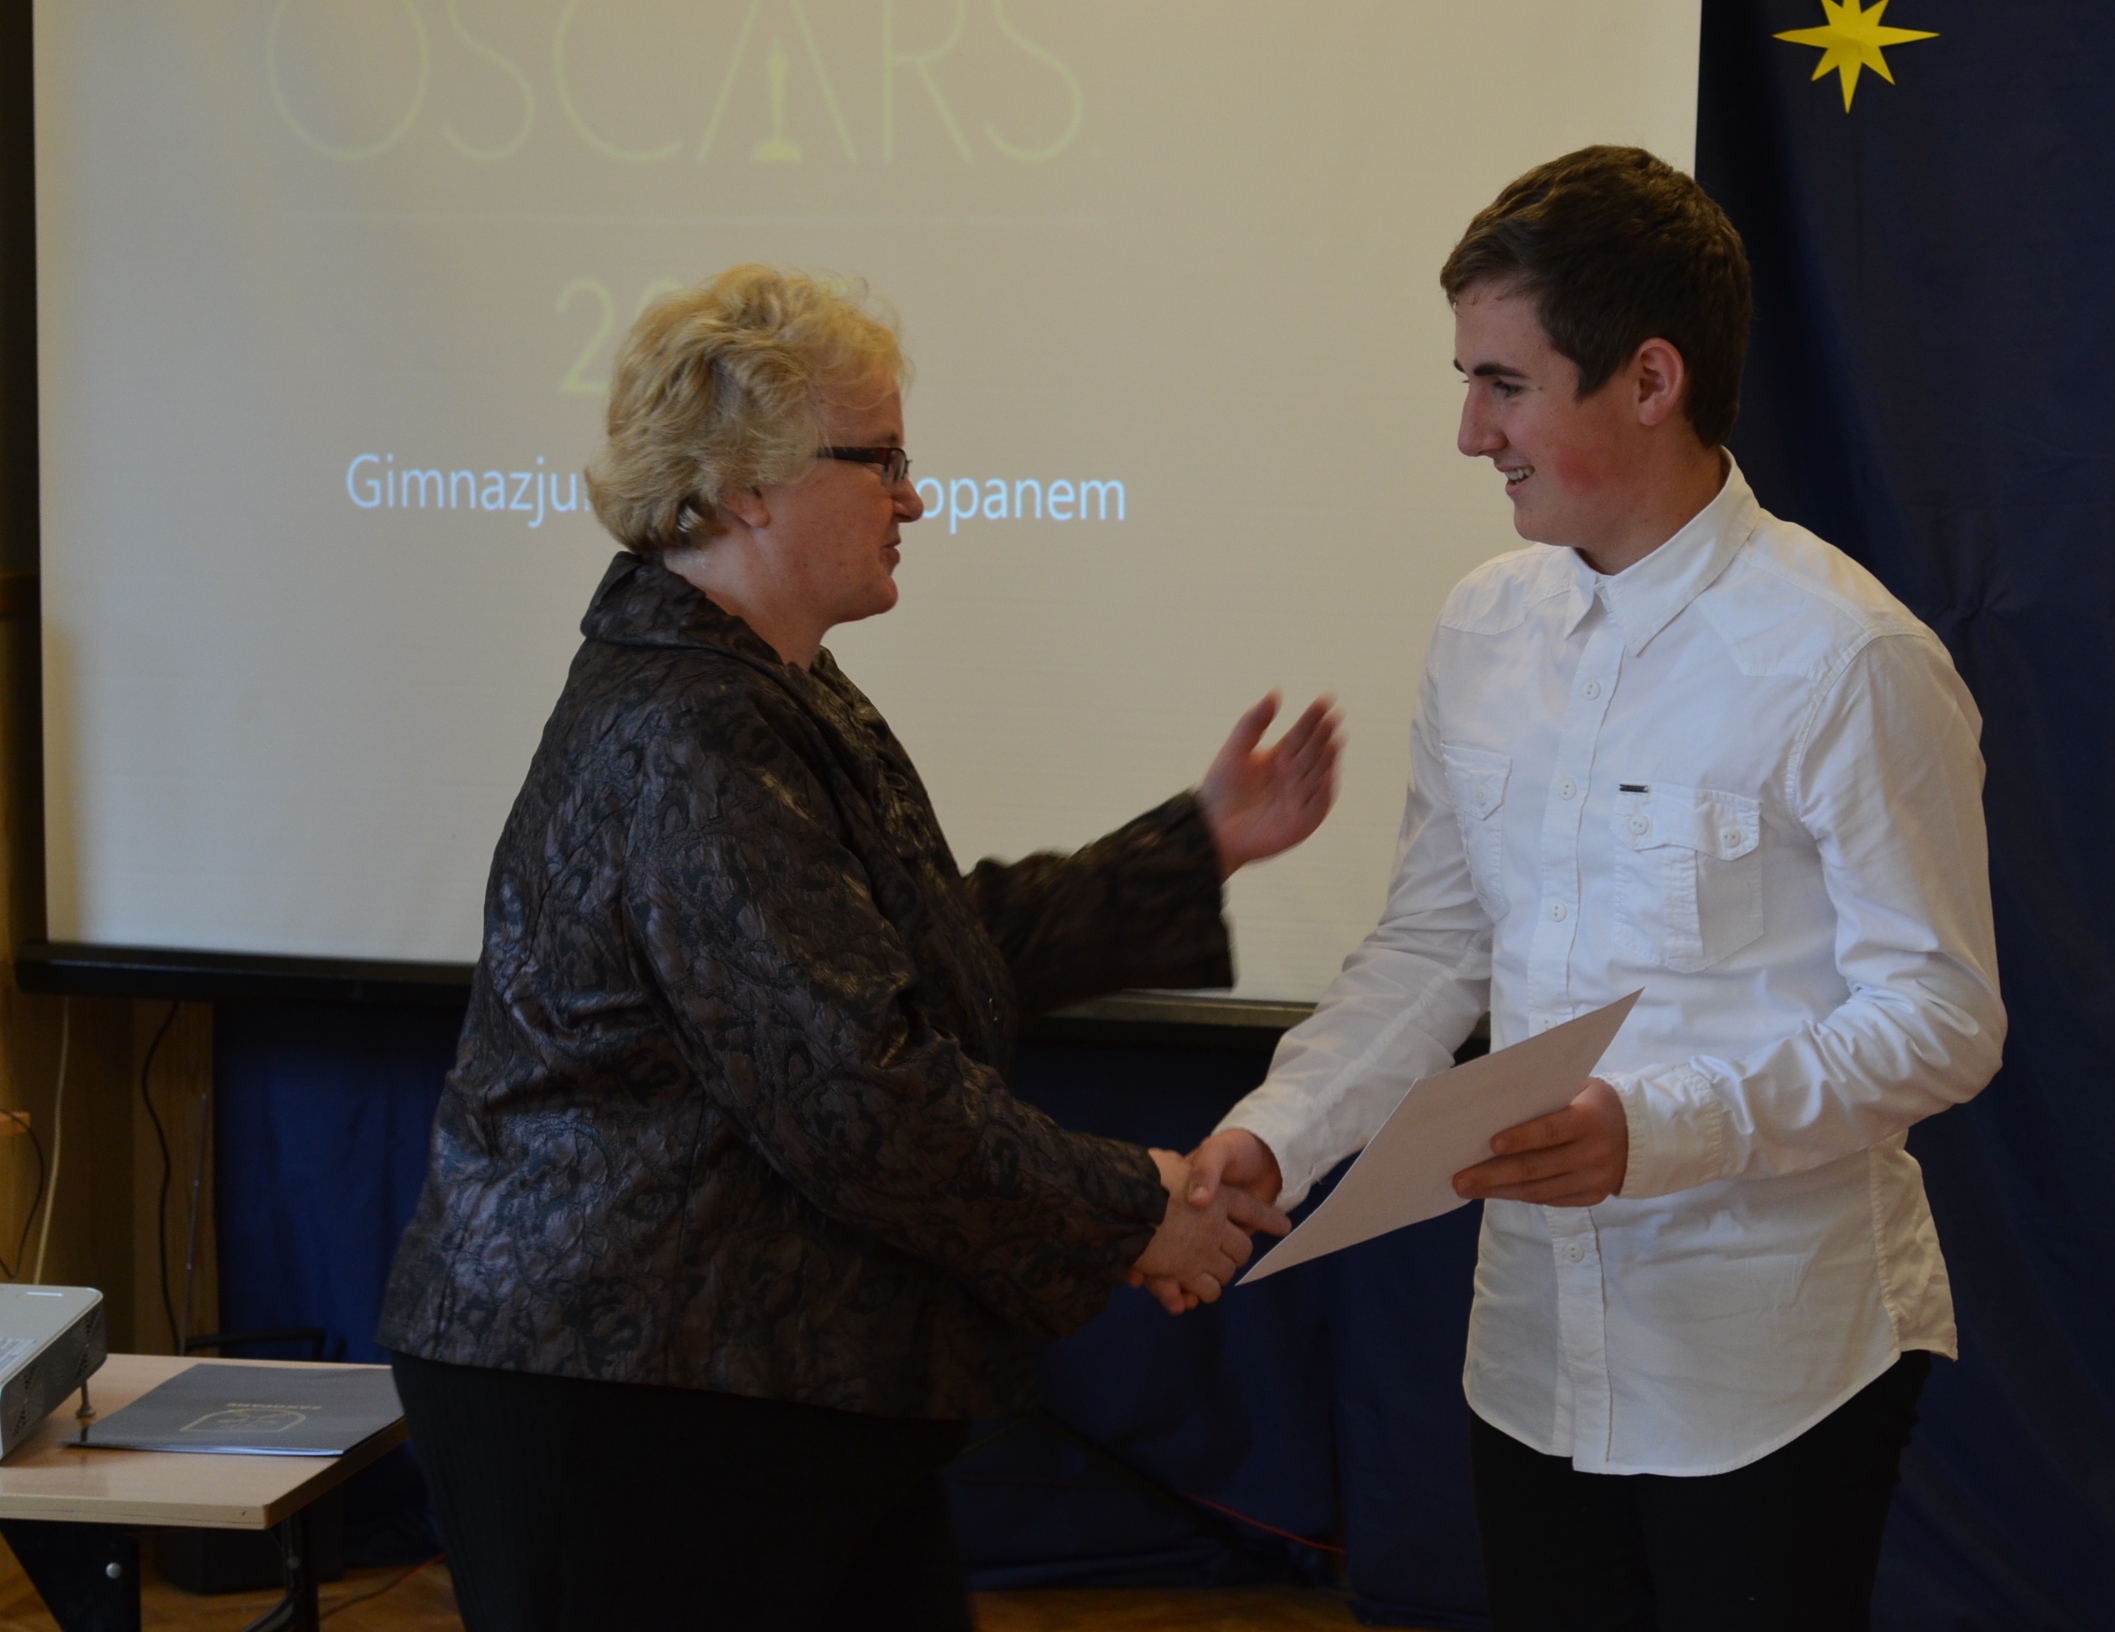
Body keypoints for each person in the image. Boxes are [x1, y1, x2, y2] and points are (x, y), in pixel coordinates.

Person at [376, 264, 1332, 1630]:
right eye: (880, 459)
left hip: (738, 1383)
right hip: (630, 1397)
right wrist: (1138, 1204)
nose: (915, 497)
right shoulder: (693, 727)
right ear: (745, 486)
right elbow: (858, 1090)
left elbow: (912, 950)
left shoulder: (763, 683)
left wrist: (1195, 846)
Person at [1174, 147, 2006, 1629]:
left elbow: (1943, 1018)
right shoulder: (1484, 625)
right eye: (1466, 382)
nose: (1468, 433)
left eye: (1504, 384)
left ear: (1651, 380)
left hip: (1773, 1362)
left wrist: (1661, 1129)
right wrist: (1273, 1137)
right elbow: (1433, 953)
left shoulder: (1848, 657)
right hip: (1535, 1353)